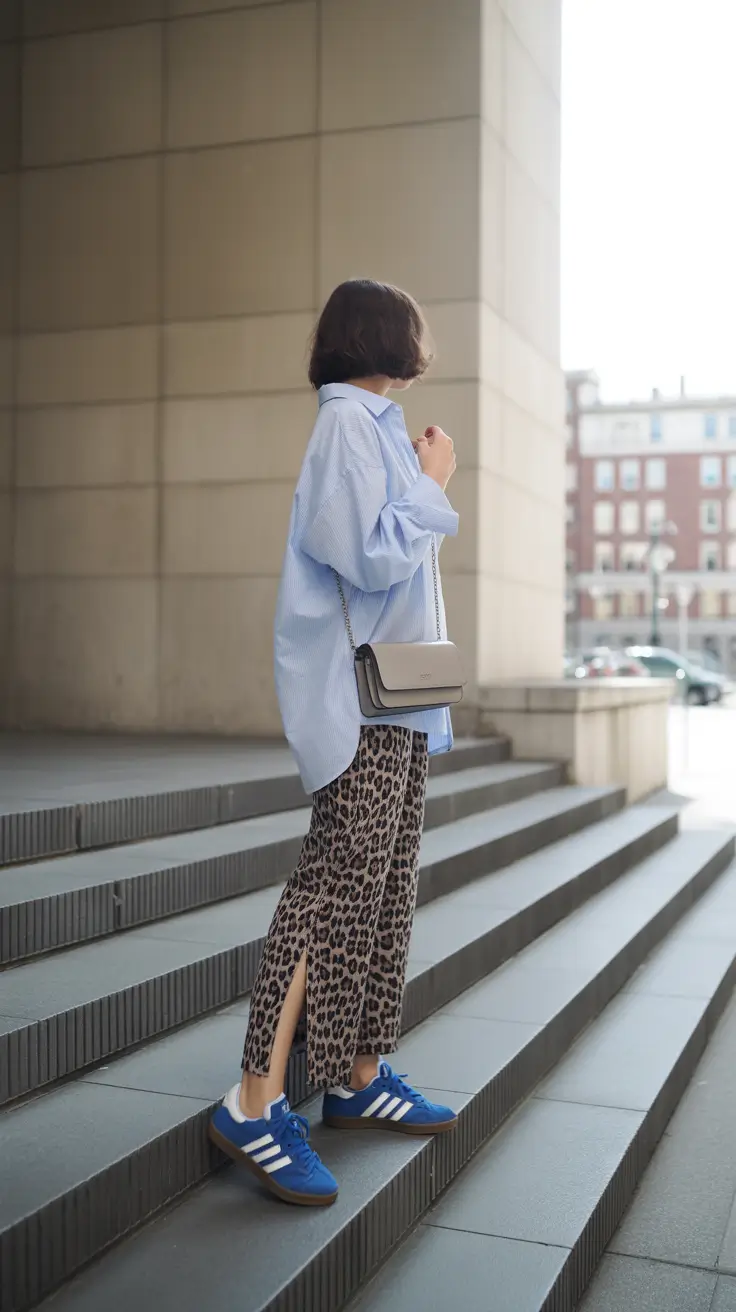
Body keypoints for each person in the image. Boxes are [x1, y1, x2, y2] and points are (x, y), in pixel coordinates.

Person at [209, 278, 460, 1206]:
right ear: (383, 336)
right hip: (359, 707)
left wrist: (420, 479)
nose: (423, 340)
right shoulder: (348, 427)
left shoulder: (378, 430)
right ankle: (254, 1100)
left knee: (383, 892)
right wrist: (433, 488)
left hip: (396, 707)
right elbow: (371, 557)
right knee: (326, 899)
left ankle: (358, 1077)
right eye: (414, 328)